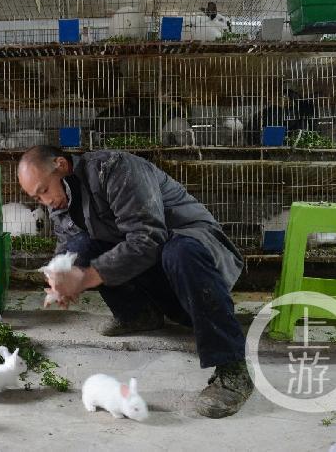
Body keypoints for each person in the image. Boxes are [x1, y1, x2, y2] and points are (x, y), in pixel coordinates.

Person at [17, 145, 253, 418]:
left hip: (193, 256)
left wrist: (85, 278)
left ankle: (233, 367)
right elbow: (68, 244)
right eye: (37, 197)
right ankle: (139, 314)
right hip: (157, 269)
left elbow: (147, 239)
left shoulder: (115, 168)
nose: (45, 201)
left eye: (44, 190)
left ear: (61, 165)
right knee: (79, 250)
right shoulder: (62, 198)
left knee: (179, 251)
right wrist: (60, 278)